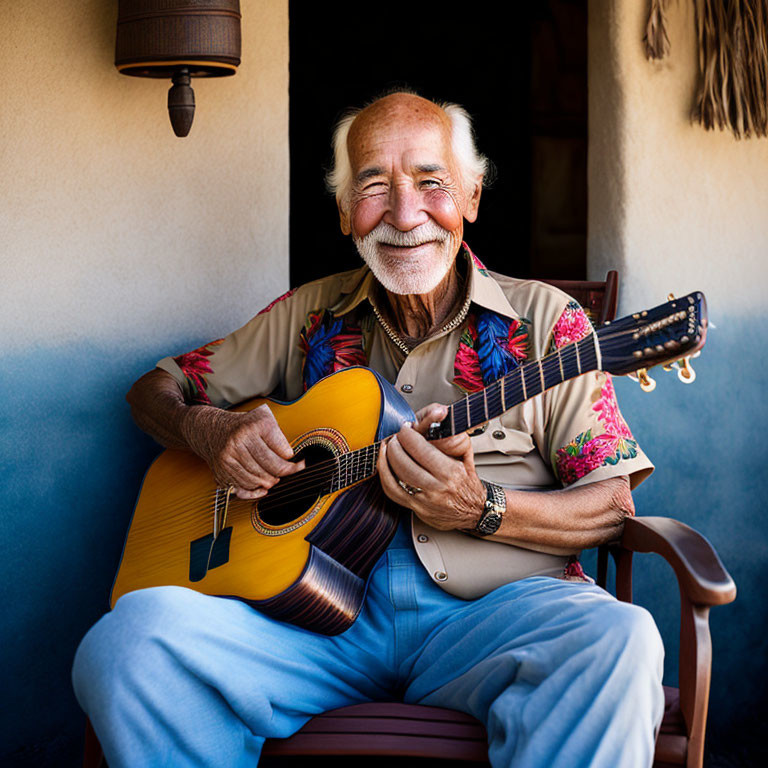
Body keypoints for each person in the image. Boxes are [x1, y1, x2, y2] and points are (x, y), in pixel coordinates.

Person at [73, 91, 664, 767]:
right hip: (314, 626)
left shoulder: (552, 326)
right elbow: (153, 390)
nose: (405, 214)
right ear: (343, 211)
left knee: (622, 640)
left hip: (492, 621)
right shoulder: (306, 318)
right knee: (129, 642)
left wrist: (481, 508)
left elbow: (613, 508)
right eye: (373, 186)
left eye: (430, 182)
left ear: (471, 194)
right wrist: (208, 430)